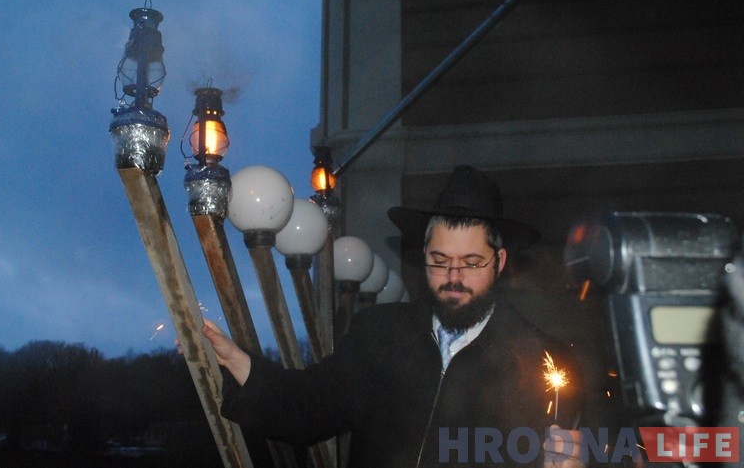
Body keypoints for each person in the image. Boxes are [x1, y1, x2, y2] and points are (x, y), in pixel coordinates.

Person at [202, 165, 585, 467]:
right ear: (424, 257)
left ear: (498, 262)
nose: (453, 278)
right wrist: (239, 362)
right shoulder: (379, 335)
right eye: (440, 261)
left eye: (470, 263)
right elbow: (307, 406)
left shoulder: (542, 364)